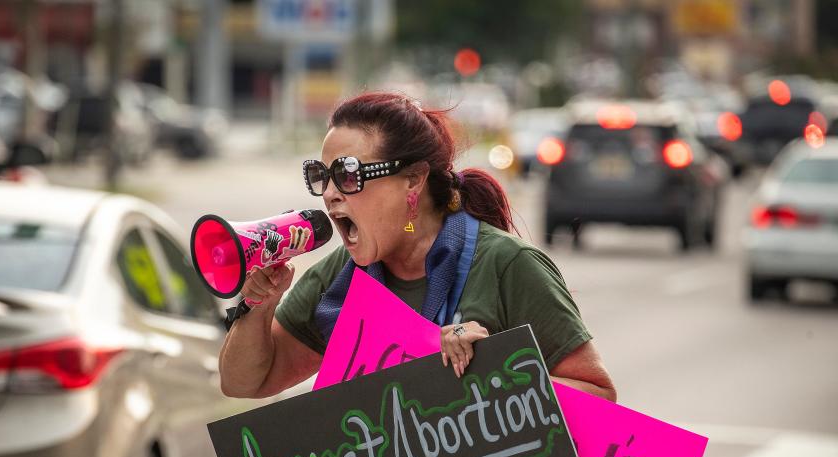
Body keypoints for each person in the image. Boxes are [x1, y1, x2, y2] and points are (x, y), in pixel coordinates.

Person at [219, 92, 615, 402]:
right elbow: (245, 383)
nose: (331, 194)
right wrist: (258, 306)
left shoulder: (508, 264)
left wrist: (493, 370)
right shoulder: (339, 277)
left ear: (413, 181)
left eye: (349, 175)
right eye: (321, 176)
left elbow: (599, 393)